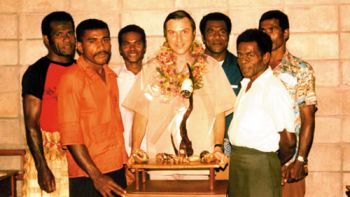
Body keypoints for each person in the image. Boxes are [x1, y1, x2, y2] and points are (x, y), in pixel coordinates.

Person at [123, 10, 235, 179]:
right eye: (172, 33)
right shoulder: (151, 69)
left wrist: (218, 147)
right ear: (165, 36)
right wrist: (135, 150)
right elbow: (141, 113)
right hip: (161, 160)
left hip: (200, 160)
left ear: (194, 33)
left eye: (184, 32)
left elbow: (219, 113)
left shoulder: (210, 67)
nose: (179, 39)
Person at [57, 19, 127, 197]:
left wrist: (124, 165)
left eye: (105, 39)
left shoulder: (110, 76)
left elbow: (115, 127)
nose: (101, 46)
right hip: (89, 176)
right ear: (79, 46)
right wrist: (96, 176)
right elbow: (71, 135)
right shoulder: (72, 79)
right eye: (92, 41)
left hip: (116, 168)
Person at [228, 29, 296, 197]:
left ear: (265, 57)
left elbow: (288, 141)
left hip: (261, 166)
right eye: (240, 55)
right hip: (238, 163)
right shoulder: (246, 85)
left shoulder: (273, 89)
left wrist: (269, 163)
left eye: (250, 55)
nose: (243, 61)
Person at [259, 10, 317, 197]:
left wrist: (300, 159)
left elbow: (307, 119)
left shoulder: (301, 70)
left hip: (289, 165)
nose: (267, 34)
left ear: (285, 33)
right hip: (258, 162)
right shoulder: (254, 68)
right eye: (262, 30)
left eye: (272, 29)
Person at [21, 11, 75, 197]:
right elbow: (31, 124)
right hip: (48, 156)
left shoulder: (82, 69)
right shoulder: (36, 72)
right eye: (59, 35)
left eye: (70, 33)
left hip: (78, 156)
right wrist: (41, 167)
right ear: (46, 39)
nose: (67, 39)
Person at [199, 12, 243, 155]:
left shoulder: (242, 68)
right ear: (203, 37)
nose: (217, 37)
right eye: (211, 32)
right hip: (198, 142)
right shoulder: (191, 67)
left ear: (229, 36)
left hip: (232, 145)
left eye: (222, 32)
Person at [115, 24, 147, 156]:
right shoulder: (113, 79)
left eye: (137, 43)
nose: (132, 49)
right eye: (127, 44)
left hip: (154, 153)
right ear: (120, 49)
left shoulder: (157, 78)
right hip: (123, 154)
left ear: (144, 47)